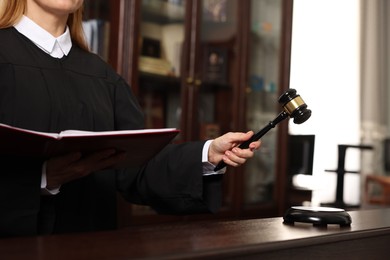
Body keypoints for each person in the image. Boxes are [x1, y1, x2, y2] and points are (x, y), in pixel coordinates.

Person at [0, 0, 261, 238]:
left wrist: (208, 154)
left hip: (91, 244)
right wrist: (43, 177)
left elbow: (135, 167)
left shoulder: (102, 75)